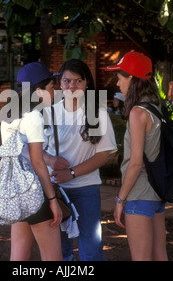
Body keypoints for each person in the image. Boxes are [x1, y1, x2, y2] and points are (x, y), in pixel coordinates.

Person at [43, 59, 117, 261]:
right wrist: (49, 159)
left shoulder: (97, 113)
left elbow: (103, 154)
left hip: (86, 188)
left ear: (86, 84)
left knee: (91, 248)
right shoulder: (49, 112)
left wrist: (72, 173)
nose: (72, 86)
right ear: (60, 83)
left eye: (78, 81)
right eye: (67, 81)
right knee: (59, 249)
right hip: (56, 190)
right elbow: (35, 150)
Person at [106, 51, 168, 261]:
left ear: (131, 78)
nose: (117, 82)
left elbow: (135, 163)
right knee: (160, 255)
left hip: (139, 193)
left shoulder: (137, 113)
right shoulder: (155, 106)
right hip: (157, 192)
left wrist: (120, 199)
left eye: (119, 76)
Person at [0, 62, 63, 261]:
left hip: (16, 191)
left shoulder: (8, 116)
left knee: (18, 254)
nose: (55, 91)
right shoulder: (34, 117)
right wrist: (52, 200)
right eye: (52, 87)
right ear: (38, 90)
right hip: (36, 191)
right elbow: (37, 162)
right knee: (53, 258)